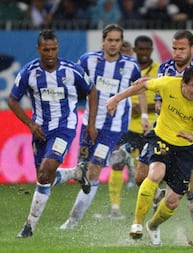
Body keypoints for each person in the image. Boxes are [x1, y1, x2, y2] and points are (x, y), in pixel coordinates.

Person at [106, 65, 193, 246]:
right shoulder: (169, 84)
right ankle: (137, 224)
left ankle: (153, 225)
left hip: (186, 149)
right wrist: (116, 99)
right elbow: (143, 86)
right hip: (161, 138)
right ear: (183, 82)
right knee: (154, 174)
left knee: (172, 202)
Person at [132, 30, 193, 247]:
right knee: (139, 177)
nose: (177, 53)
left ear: (192, 48)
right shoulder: (165, 68)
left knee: (190, 186)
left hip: (185, 139)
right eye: (174, 49)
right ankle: (157, 195)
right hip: (161, 132)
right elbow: (158, 98)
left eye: (182, 49)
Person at [53, 24, 145, 229]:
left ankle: (72, 222)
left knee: (93, 171)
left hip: (114, 127)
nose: (113, 44)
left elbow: (140, 87)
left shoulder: (130, 65)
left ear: (122, 42)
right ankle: (119, 157)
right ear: (103, 40)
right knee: (83, 172)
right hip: (90, 123)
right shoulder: (88, 60)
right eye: (110, 40)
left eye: (117, 40)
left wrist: (145, 114)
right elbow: (75, 83)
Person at [9, 29, 98, 238]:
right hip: (40, 130)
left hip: (64, 127)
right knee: (43, 178)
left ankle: (29, 227)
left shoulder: (71, 70)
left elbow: (91, 90)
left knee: (46, 169)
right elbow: (12, 100)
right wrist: (30, 124)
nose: (50, 54)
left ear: (58, 48)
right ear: (38, 49)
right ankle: (75, 173)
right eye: (46, 49)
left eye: (54, 49)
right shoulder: (28, 72)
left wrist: (90, 124)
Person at [106, 34, 158, 219]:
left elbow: (166, 98)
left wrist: (144, 109)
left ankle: (152, 205)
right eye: (140, 49)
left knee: (150, 170)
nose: (144, 53)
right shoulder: (129, 69)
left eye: (147, 49)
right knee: (117, 163)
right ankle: (114, 209)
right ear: (135, 50)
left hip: (151, 128)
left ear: (151, 50)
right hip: (127, 126)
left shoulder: (159, 71)